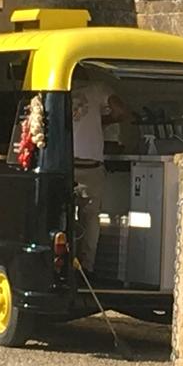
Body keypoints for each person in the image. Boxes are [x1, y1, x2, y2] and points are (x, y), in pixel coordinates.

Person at [71, 74, 127, 271]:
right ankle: (87, 266)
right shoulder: (97, 87)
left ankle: (63, 263)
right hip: (91, 164)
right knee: (91, 218)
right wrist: (101, 121)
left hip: (64, 163)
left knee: (62, 215)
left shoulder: (55, 80)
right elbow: (120, 111)